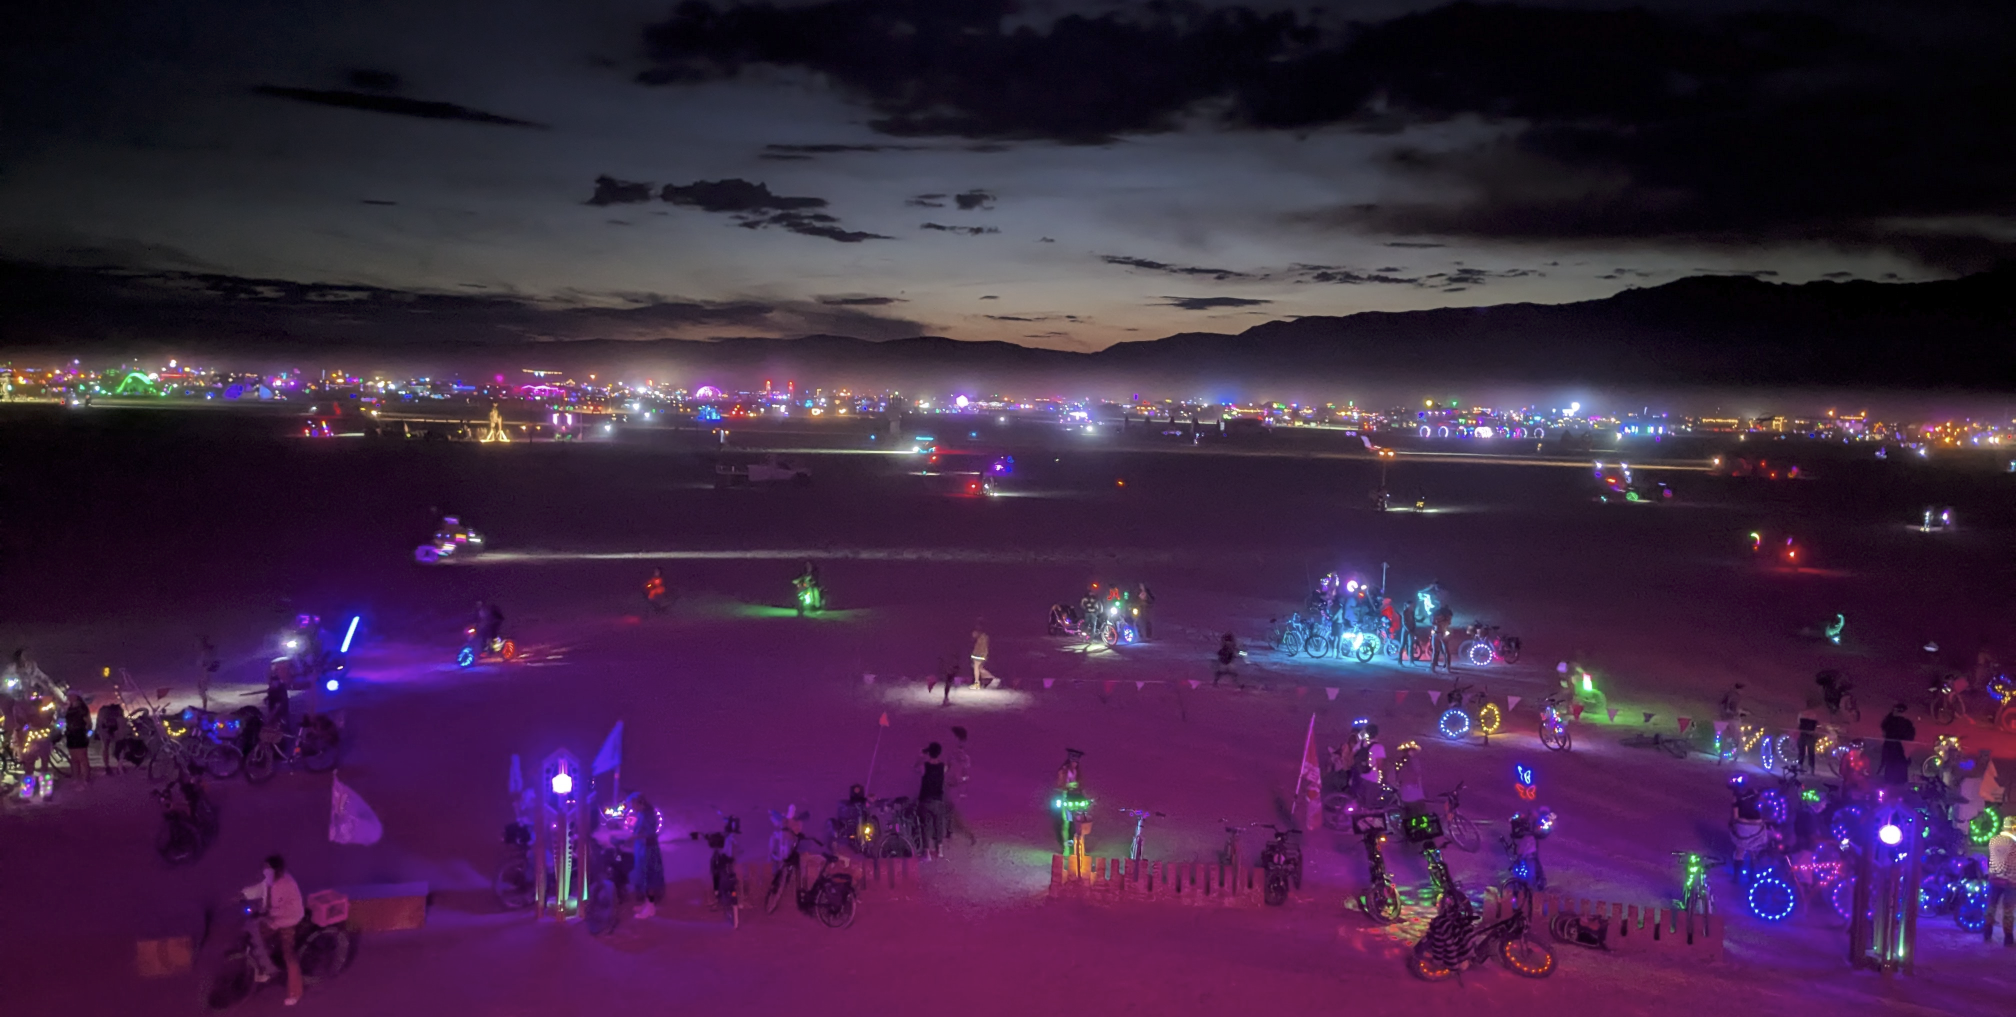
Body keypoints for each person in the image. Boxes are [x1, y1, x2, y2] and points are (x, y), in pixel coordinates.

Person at [241, 854, 305, 1006]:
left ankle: (295, 992)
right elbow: (260, 889)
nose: (264, 870)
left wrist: (270, 914)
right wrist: (242, 894)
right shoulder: (270, 880)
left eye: (267, 868)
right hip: (274, 917)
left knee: (288, 954)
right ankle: (265, 968)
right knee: (257, 934)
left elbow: (289, 909)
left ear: (277, 870)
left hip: (289, 919)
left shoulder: (287, 884)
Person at [628, 793, 664, 918]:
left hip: (648, 849)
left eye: (633, 804)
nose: (632, 807)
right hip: (643, 848)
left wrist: (634, 837)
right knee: (644, 876)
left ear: (638, 802)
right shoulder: (642, 813)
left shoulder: (648, 814)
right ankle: (647, 903)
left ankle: (650, 907)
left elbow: (650, 833)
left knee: (650, 877)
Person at [916, 742, 949, 859]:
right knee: (938, 825)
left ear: (929, 752)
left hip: (925, 800)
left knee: (925, 826)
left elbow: (916, 768)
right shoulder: (943, 767)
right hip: (938, 800)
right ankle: (939, 850)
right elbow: (945, 768)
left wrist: (921, 756)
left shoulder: (924, 766)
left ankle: (927, 853)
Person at [1987, 814, 2016, 946]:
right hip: (2010, 881)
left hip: (1994, 879)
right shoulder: (2013, 844)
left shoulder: (1993, 840)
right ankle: (2008, 938)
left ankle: (1987, 932)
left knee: (1991, 906)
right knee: (2008, 910)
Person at [1879, 704, 1914, 786]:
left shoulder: (1901, 722)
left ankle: (1893, 783)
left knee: (1895, 766)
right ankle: (1893, 783)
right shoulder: (1892, 721)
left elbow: (1910, 736)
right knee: (1893, 766)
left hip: (1895, 747)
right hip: (1893, 747)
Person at [63, 693, 92, 785]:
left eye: (71, 696)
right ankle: (76, 777)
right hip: (71, 734)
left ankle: (85, 778)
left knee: (82, 757)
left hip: (79, 733)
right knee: (74, 758)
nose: (69, 698)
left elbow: (88, 722)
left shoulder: (82, 709)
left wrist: (87, 733)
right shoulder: (69, 708)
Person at [95, 699, 126, 775]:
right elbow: (122, 722)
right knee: (119, 747)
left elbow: (99, 723)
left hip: (104, 730)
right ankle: (119, 766)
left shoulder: (103, 710)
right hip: (115, 729)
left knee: (105, 747)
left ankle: (107, 767)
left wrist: (98, 730)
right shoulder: (118, 710)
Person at [1429, 603, 1454, 672]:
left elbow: (1433, 622)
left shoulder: (1436, 613)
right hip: (1444, 632)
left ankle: (1433, 667)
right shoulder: (1448, 614)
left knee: (1435, 650)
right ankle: (1448, 667)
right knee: (1446, 650)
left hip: (1437, 632)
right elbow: (1449, 623)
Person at [196, 636, 220, 711]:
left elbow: (201, 680)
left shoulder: (203, 683)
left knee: (204, 655)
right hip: (205, 668)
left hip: (205, 668)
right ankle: (204, 641)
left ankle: (204, 641)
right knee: (205, 655)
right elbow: (201, 681)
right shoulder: (204, 682)